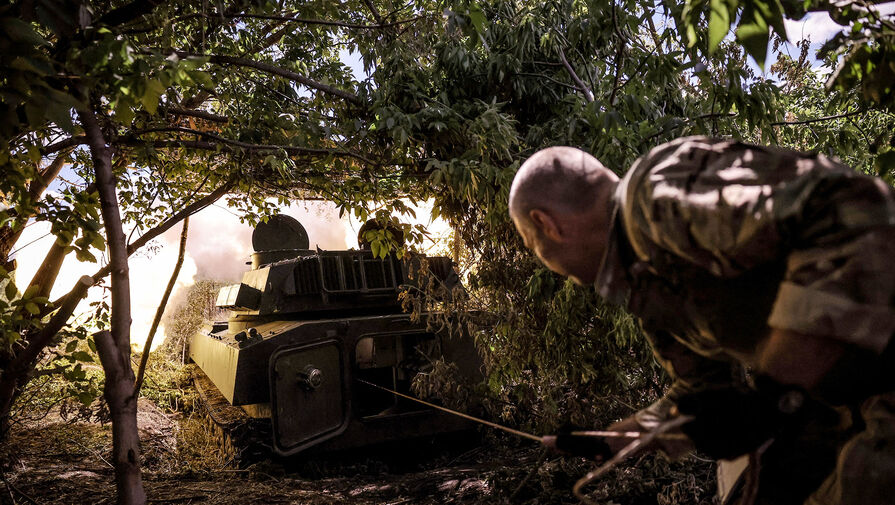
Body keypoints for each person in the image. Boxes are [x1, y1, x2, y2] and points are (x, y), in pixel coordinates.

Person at [508, 137, 895, 504]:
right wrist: (614, 439)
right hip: (843, 408)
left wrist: (776, 392)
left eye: (530, 244)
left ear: (547, 225)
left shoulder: (655, 198)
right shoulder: (639, 276)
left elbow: (847, 206)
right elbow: (704, 388)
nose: (541, 257)